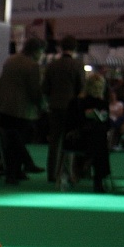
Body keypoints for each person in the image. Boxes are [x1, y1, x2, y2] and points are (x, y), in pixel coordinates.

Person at [0, 37, 46, 184]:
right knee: (18, 141)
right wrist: (41, 106)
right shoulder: (32, 65)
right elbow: (34, 90)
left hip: (4, 107)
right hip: (22, 110)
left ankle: (15, 172)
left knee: (9, 143)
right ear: (36, 51)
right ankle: (18, 170)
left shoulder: (10, 60)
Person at [42, 36, 85, 183]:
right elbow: (81, 88)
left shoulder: (52, 65)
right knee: (70, 141)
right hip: (71, 109)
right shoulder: (77, 65)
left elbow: (45, 88)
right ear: (74, 48)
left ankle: (51, 174)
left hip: (54, 108)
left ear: (60, 47)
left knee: (54, 142)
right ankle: (66, 173)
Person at [63, 73, 111, 193]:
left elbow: (107, 123)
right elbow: (70, 122)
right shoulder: (77, 102)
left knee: (98, 133)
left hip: (93, 138)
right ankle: (98, 178)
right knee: (99, 139)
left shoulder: (103, 103)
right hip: (79, 137)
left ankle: (87, 162)